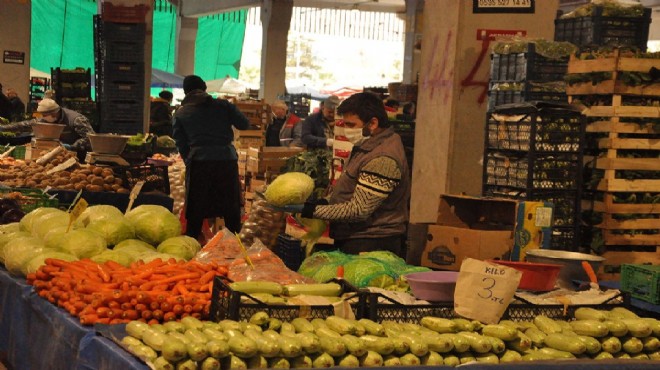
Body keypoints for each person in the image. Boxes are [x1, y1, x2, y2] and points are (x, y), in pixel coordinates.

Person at [280, 92, 411, 257]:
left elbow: (358, 210)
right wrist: (325, 202)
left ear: (373, 123)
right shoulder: (367, 145)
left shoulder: (383, 158)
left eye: (351, 125)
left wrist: (310, 210)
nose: (346, 130)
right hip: (357, 236)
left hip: (372, 243)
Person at [173, 75, 250, 241]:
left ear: (186, 92)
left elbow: (181, 143)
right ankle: (234, 245)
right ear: (205, 88)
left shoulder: (181, 113)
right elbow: (244, 124)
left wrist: (190, 159)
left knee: (197, 207)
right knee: (230, 206)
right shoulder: (223, 105)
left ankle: (192, 244)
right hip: (226, 160)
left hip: (199, 162)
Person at [0, 98, 94, 153]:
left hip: (79, 154)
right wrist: (3, 128)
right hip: (59, 153)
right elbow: (25, 125)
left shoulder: (76, 119)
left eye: (44, 115)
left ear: (54, 113)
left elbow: (90, 138)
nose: (43, 117)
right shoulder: (46, 119)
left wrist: (72, 146)